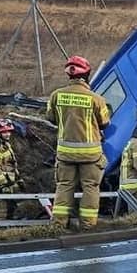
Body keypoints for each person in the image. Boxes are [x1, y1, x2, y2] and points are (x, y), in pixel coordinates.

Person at [45, 55, 111, 229]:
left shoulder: (56, 96)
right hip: (91, 154)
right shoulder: (96, 99)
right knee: (90, 187)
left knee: (64, 186)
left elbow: (51, 118)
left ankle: (59, 224)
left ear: (69, 75)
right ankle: (87, 225)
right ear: (87, 75)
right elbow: (105, 123)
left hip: (65, 152)